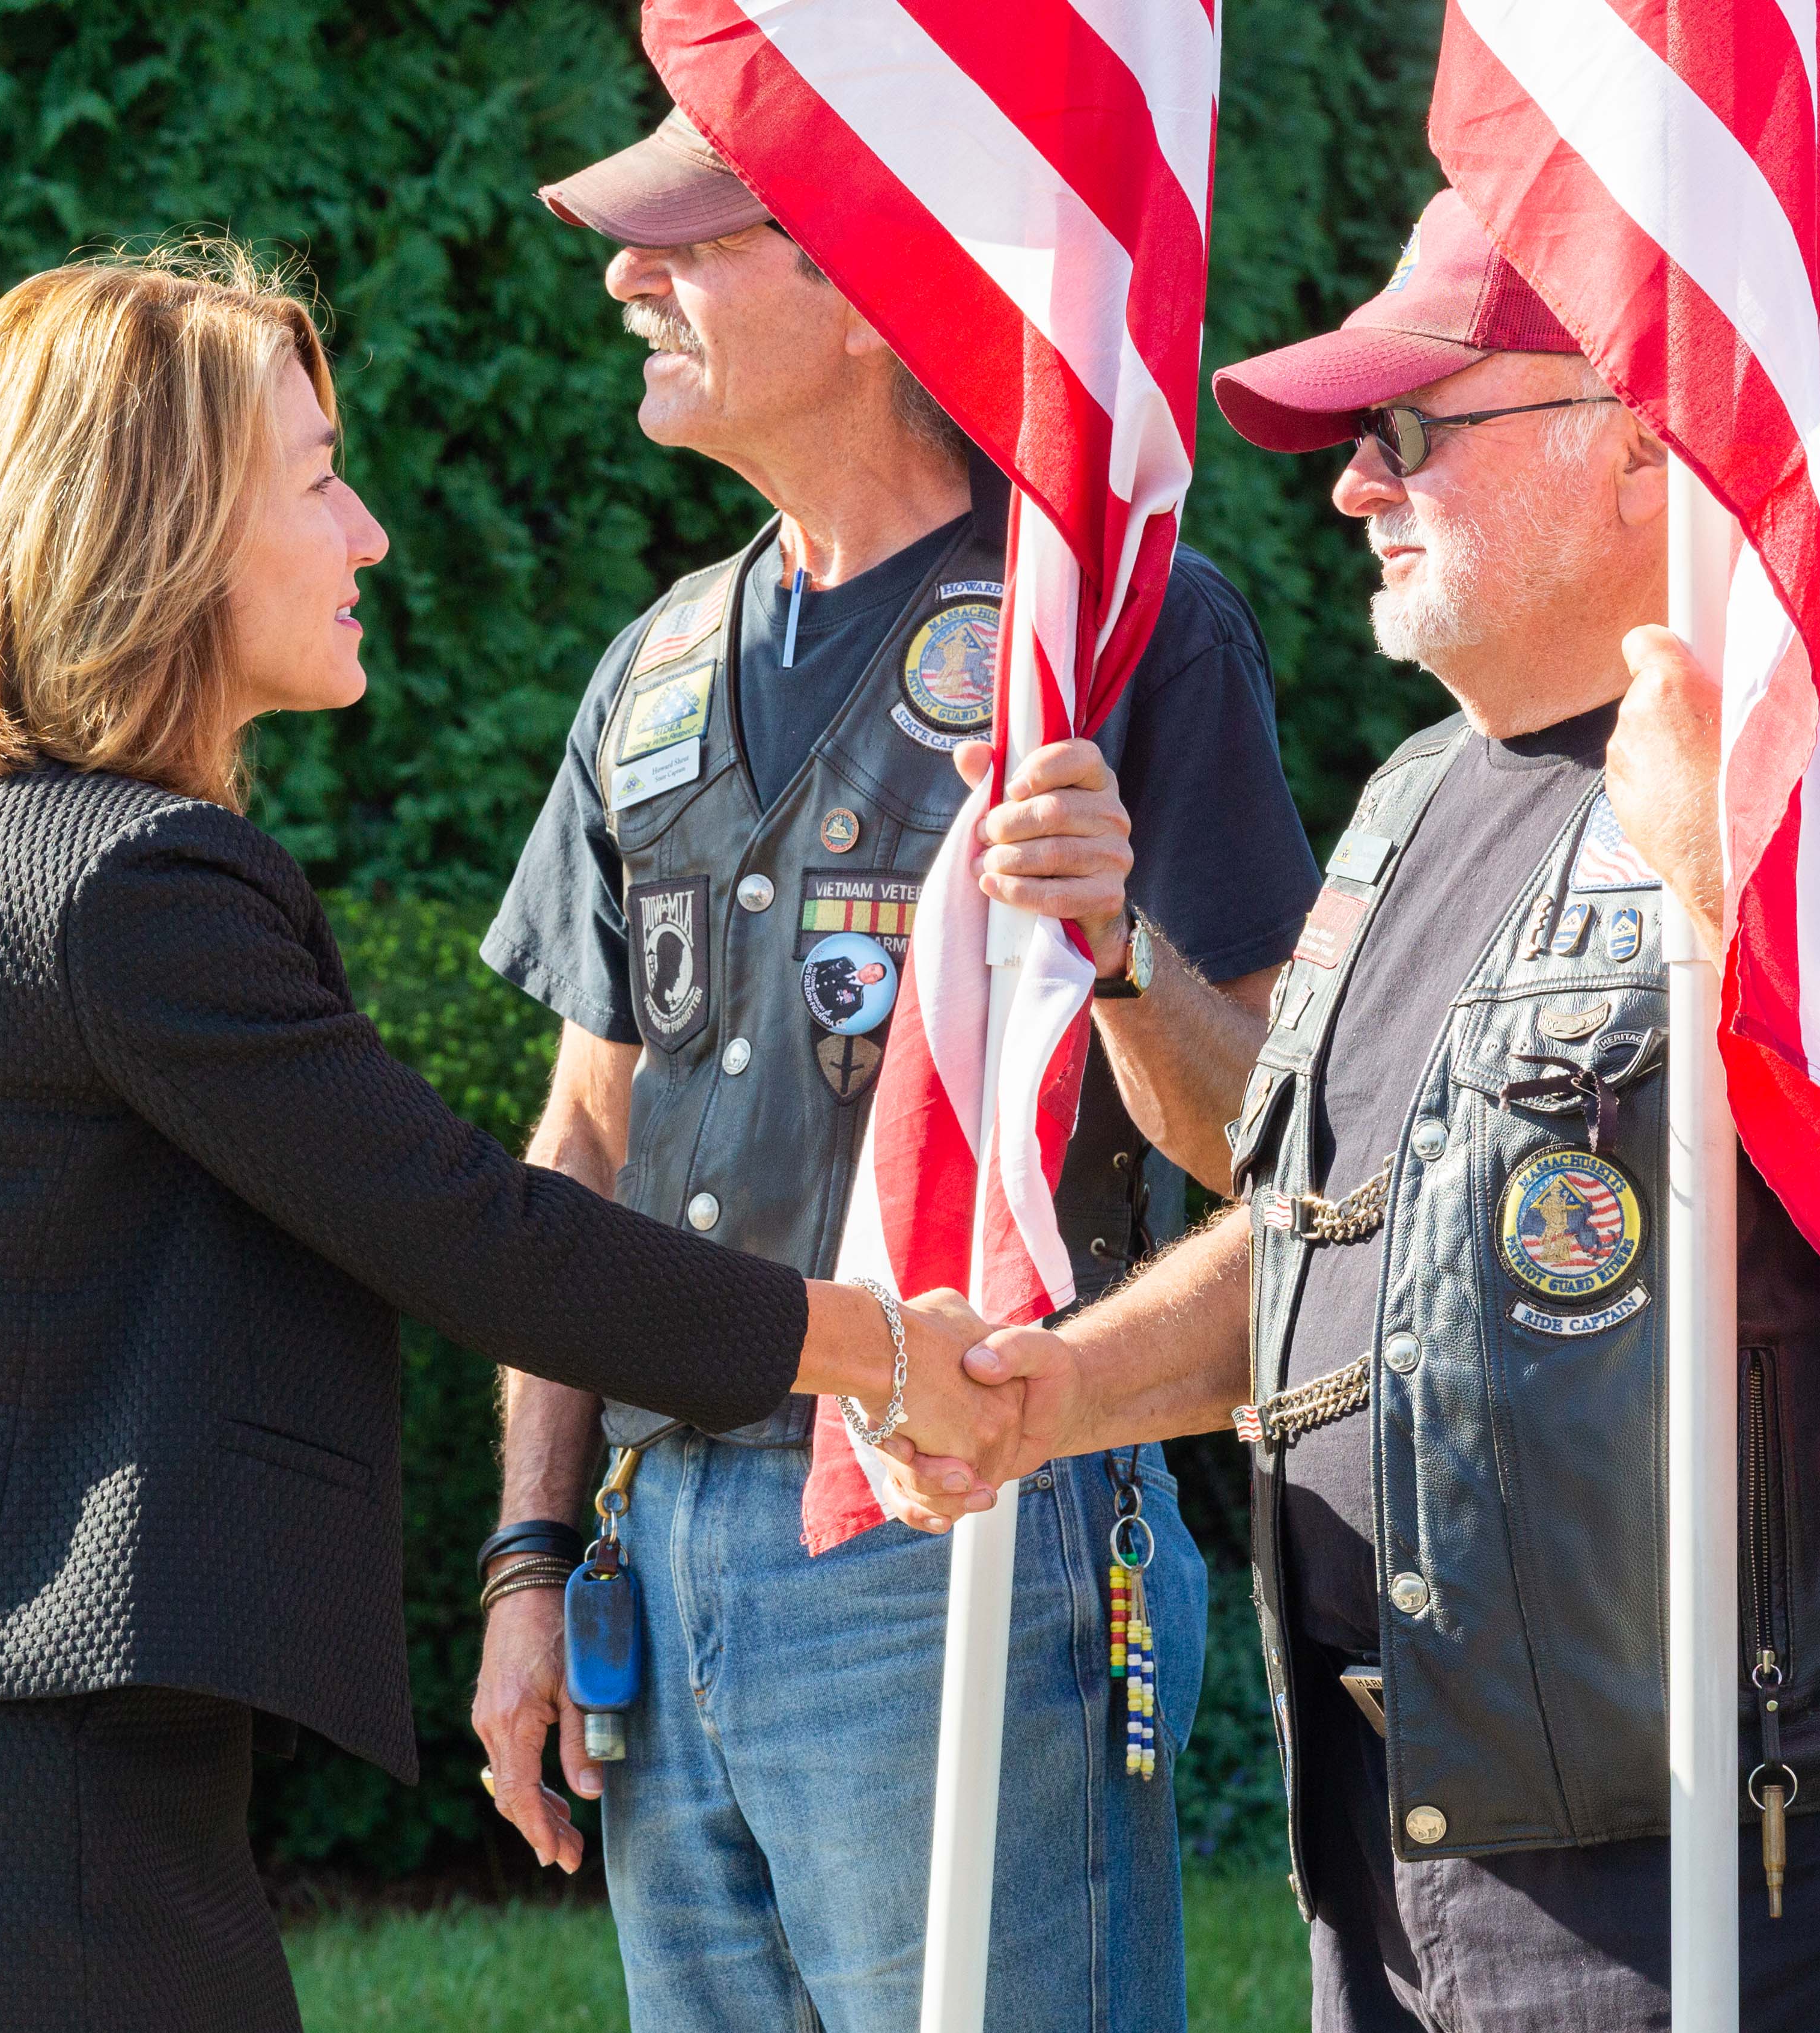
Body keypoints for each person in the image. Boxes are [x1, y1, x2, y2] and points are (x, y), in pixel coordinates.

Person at [0, 242, 1037, 2033]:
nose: (369, 539)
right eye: (319, 480)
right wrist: (878, 1347)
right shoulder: (136, 888)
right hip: (18, 1820)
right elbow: (475, 1234)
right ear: (160, 529)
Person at [925, 192, 1820, 2033]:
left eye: (1409, 433)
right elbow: (1337, 1232)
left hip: (1736, 1853)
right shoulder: (1413, 796)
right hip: (1405, 1830)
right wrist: (1074, 1387)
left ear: (1638, 446)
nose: (1357, 487)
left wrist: (1731, 879)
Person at [468, 106, 1323, 2032]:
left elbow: (1270, 1136)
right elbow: (582, 1144)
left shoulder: (1100, 633)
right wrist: (532, 1553)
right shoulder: (657, 665)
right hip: (659, 1547)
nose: (623, 278)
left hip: (959, 1526)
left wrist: (1111, 951)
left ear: (862, 279)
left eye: (686, 239)